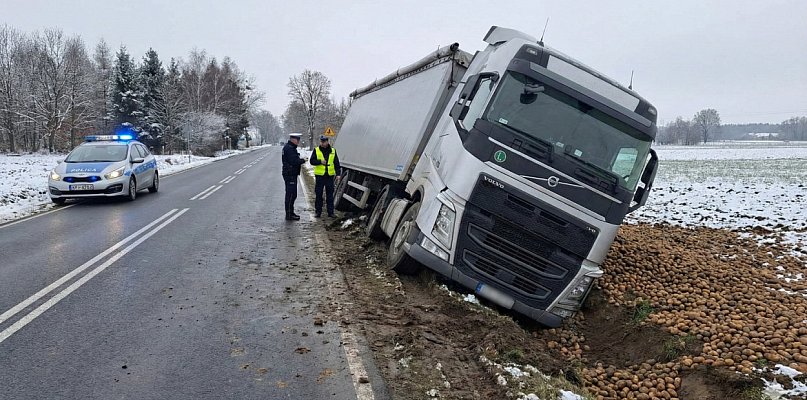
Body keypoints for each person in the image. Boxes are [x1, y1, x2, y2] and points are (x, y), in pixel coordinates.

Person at [309, 135, 341, 218]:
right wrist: (320, 161)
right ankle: (318, 212)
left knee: (330, 195)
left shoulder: (333, 151)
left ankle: (331, 212)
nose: (323, 143)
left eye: (325, 141)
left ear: (327, 141)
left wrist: (338, 174)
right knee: (319, 194)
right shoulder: (316, 150)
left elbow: (337, 163)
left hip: (329, 176)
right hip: (320, 176)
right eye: (322, 142)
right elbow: (312, 161)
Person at [281, 133, 306, 221]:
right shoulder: (289, 148)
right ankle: (289, 214)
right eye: (297, 140)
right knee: (291, 195)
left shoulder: (290, 147)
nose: (298, 141)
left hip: (291, 173)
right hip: (290, 174)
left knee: (292, 194)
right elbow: (294, 161)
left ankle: (291, 212)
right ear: (293, 139)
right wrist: (303, 160)